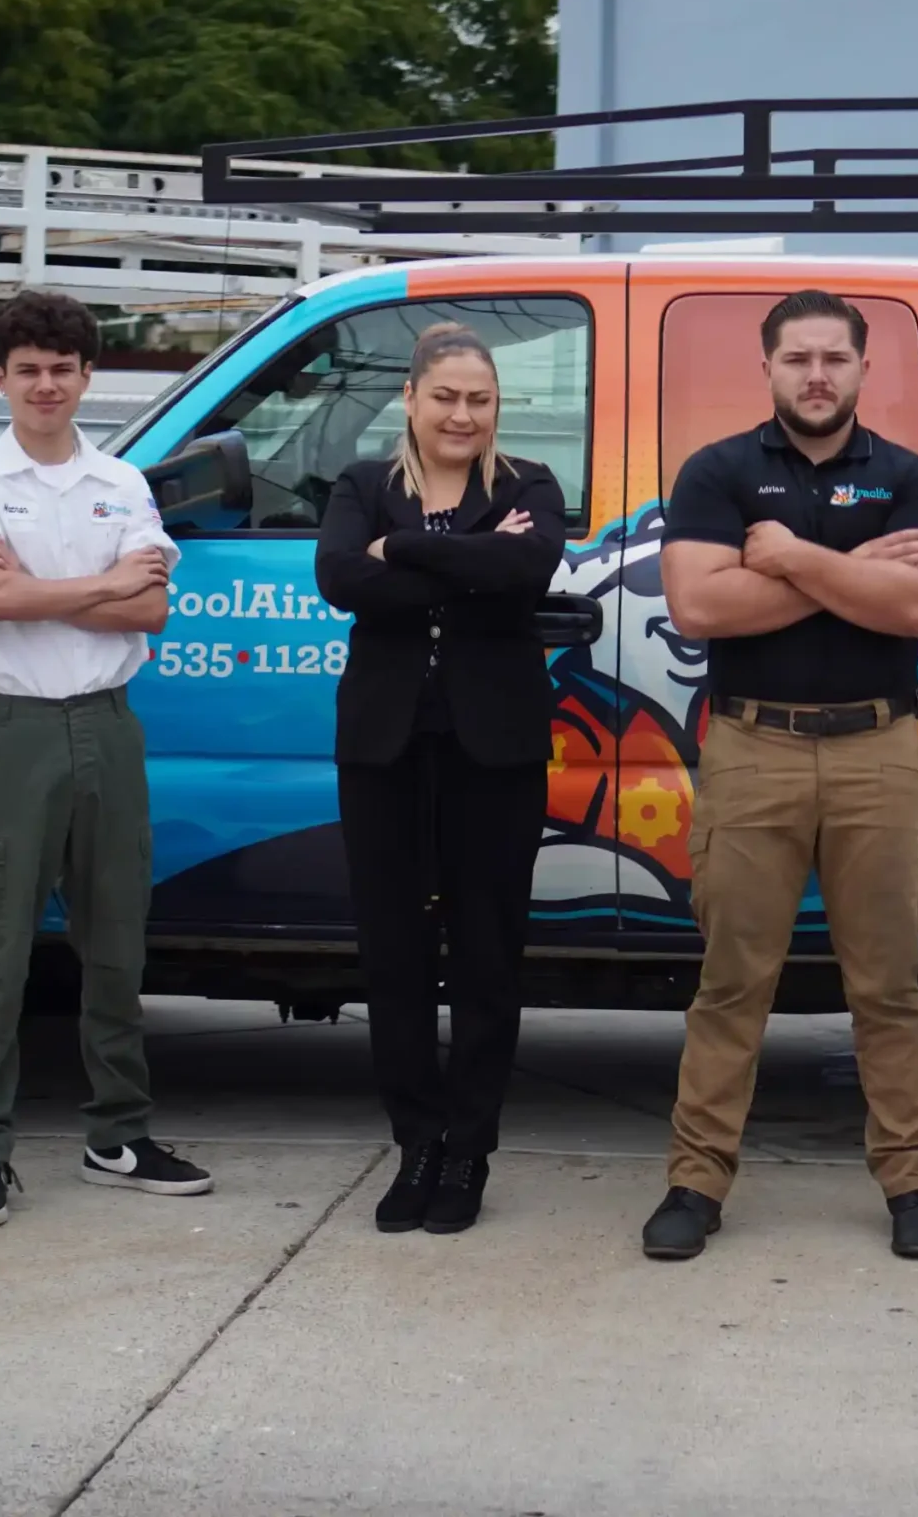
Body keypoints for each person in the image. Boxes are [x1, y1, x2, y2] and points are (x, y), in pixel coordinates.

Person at [641, 289, 918, 1262]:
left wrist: (786, 558)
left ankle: (911, 1183)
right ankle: (695, 1183)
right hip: (753, 749)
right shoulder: (716, 471)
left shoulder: (914, 478)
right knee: (731, 982)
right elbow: (700, 607)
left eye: (834, 357)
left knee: (889, 987)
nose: (816, 375)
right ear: (768, 367)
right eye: (797, 358)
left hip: (878, 751)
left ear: (864, 368)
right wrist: (856, 568)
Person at [0, 291, 209, 1228]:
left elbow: (151, 609)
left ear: (88, 376)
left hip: (107, 723)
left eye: (61, 368)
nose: (45, 385)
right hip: (13, 729)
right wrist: (100, 584)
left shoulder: (120, 483)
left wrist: (43, 588)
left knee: (116, 941)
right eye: (27, 370)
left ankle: (118, 1133)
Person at [316, 321, 567, 1236]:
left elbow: (526, 571)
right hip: (383, 748)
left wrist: (407, 551)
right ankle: (417, 1141)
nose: (463, 414)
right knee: (395, 954)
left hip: (494, 750)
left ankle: (469, 1150)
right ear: (411, 400)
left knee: (487, 954)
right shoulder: (362, 485)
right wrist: (471, 559)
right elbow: (342, 579)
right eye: (446, 397)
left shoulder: (528, 486)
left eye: (480, 399)